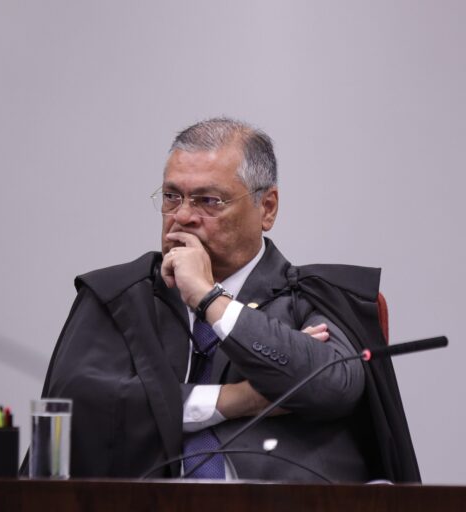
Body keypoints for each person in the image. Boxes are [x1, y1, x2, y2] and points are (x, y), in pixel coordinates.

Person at [37, 118, 420, 482]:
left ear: (267, 208)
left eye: (208, 200)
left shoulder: (314, 295)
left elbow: (332, 385)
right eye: (172, 197)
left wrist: (209, 299)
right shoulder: (121, 296)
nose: (182, 216)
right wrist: (234, 399)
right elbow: (77, 405)